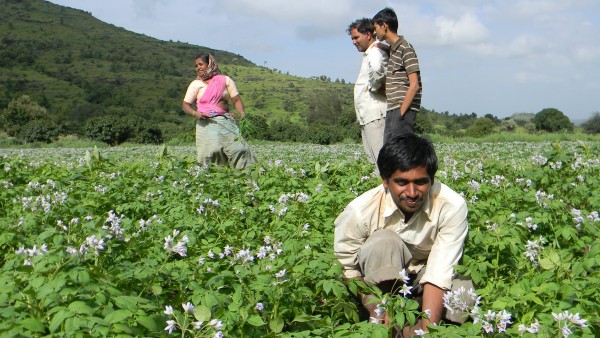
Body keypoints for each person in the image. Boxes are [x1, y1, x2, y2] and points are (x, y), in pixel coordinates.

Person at [334, 134, 473, 336]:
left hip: (426, 279)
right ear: (385, 180)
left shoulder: (451, 206)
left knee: (464, 289)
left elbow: (439, 273)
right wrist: (375, 306)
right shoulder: (360, 211)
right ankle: (384, 319)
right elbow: (346, 268)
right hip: (378, 284)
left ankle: (425, 326)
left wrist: (426, 332)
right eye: (401, 182)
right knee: (384, 241)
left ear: (432, 180)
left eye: (421, 182)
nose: (412, 192)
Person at [182, 53, 256, 168]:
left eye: (201, 64)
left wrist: (242, 114)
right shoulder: (196, 84)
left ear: (210, 64)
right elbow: (185, 105)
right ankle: (214, 180)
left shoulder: (225, 80)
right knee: (211, 152)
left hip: (225, 121)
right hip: (206, 122)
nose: (198, 68)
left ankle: (247, 179)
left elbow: (236, 100)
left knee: (240, 148)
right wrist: (195, 113)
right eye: (196, 66)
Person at [372, 7, 422, 144]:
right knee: (389, 150)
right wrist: (383, 48)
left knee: (401, 151)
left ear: (384, 25)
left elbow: (414, 85)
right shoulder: (395, 50)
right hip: (393, 107)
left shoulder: (405, 48)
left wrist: (401, 113)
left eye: (376, 28)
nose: (375, 32)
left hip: (402, 108)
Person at [347, 18, 389, 165]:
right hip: (369, 115)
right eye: (352, 38)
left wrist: (375, 88)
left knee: (381, 162)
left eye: (356, 37)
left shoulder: (375, 51)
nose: (354, 42)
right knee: (375, 161)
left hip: (375, 114)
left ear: (368, 35)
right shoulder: (370, 53)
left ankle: (387, 188)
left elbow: (377, 68)